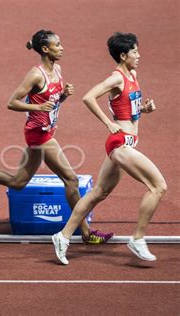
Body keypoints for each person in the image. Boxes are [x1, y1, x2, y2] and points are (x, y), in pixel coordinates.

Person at [0, 29, 113, 244]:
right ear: (45, 49)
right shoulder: (36, 74)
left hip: (47, 131)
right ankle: (86, 233)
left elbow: (51, 104)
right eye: (57, 44)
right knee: (70, 180)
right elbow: (12, 102)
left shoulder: (58, 69)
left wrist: (62, 96)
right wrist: (37, 105)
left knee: (18, 182)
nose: (62, 48)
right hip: (39, 135)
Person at [52, 32, 167, 265]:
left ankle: (62, 236)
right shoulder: (116, 78)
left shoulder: (132, 75)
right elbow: (88, 97)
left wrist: (143, 110)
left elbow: (126, 109)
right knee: (158, 186)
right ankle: (138, 238)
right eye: (135, 51)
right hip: (120, 143)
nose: (139, 55)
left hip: (127, 142)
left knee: (98, 193)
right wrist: (108, 122)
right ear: (123, 55)